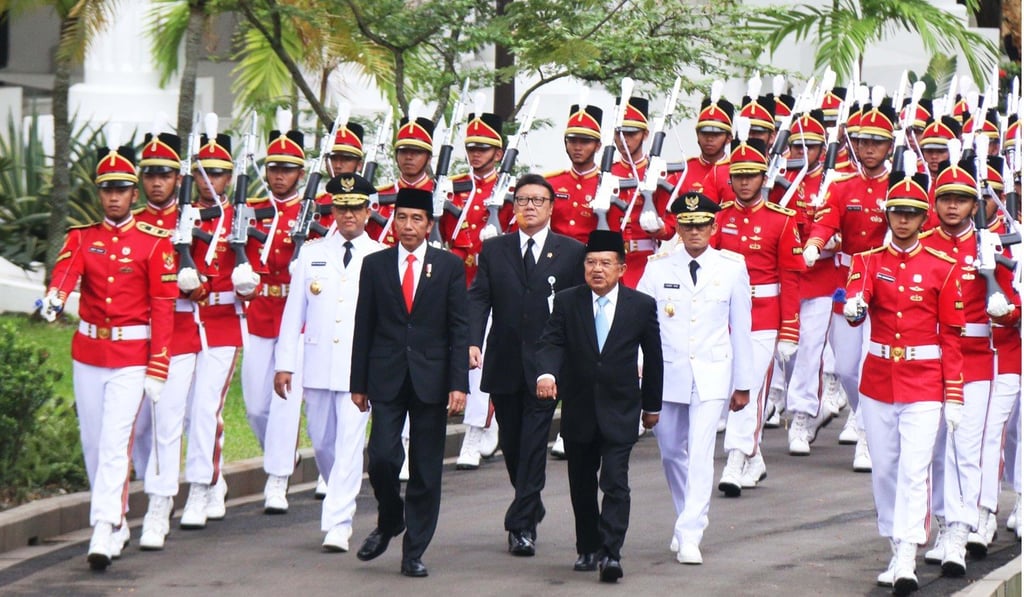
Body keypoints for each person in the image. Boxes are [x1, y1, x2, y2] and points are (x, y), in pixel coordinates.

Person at [40, 142, 177, 569]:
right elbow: (65, 273)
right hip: (89, 353)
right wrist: (54, 298)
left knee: (116, 443)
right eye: (107, 190)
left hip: (132, 357)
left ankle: (103, 525)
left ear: (134, 193)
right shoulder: (83, 238)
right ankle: (116, 522)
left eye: (121, 189)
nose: (114, 197)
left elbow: (164, 306)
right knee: (94, 443)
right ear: (99, 194)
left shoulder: (154, 243)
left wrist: (159, 363)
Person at [842, 166, 964, 594]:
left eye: (912, 213)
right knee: (886, 470)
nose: (904, 220)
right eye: (897, 212)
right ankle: (896, 542)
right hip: (878, 379)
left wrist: (954, 393)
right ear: (887, 214)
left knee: (915, 469)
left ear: (923, 216)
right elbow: (857, 300)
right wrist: (855, 309)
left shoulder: (942, 266)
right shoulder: (868, 261)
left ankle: (908, 554)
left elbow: (951, 334)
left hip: (925, 381)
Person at [350, 188, 469, 578]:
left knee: (426, 468)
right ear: (392, 221)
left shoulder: (449, 266)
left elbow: (458, 327)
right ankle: (389, 518)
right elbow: (363, 325)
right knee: (382, 456)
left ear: (429, 225)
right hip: (385, 375)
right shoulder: (376, 264)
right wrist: (358, 381)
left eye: (417, 219)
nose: (408, 226)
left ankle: (413, 550)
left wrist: (458, 384)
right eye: (402, 218)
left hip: (432, 379)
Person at [535, 229, 663, 584]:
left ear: (621, 268)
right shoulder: (566, 301)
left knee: (616, 483)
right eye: (591, 263)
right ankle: (587, 546)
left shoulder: (640, 306)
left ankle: (611, 553)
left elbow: (654, 358)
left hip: (621, 408)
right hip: (578, 408)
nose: (597, 270)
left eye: (606, 263)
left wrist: (652, 405)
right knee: (581, 483)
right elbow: (551, 342)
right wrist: (546, 374)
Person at [468, 173, 586, 556]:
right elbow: (479, 298)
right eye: (522, 200)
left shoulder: (570, 251)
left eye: (538, 200)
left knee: (535, 440)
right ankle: (530, 503)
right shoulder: (494, 250)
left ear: (552, 207)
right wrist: (471, 340)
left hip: (547, 364)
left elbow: (578, 307)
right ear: (513, 207)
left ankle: (521, 526)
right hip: (503, 360)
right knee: (512, 442)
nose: (530, 206)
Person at [637, 191, 753, 566]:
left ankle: (691, 531)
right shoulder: (658, 267)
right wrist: (639, 366)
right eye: (687, 225)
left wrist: (743, 382)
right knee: (671, 450)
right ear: (677, 227)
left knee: (702, 452)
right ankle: (685, 515)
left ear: (713, 226)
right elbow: (640, 321)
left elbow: (742, 329)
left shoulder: (732, 267)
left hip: (713, 371)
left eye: (702, 224)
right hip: (667, 372)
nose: (694, 231)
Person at [918, 157, 1018, 577]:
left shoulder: (991, 243)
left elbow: (1013, 305)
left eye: (962, 200)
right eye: (947, 200)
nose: (954, 207)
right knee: (935, 448)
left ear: (974, 204)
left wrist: (1004, 310)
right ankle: (944, 523)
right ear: (935, 203)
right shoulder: (923, 243)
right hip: (932, 357)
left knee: (967, 447)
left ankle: (963, 526)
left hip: (978, 357)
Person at [275, 174, 383, 553]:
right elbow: (294, 314)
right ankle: (336, 492)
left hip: (359, 369)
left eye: (355, 208)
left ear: (369, 211)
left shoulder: (379, 255)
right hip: (319, 364)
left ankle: (339, 522)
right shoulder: (311, 253)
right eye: (341, 207)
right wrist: (285, 363)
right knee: (322, 442)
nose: (348, 215)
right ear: (331, 210)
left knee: (351, 444)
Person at [802, 102, 898, 457]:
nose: (869, 148)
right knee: (845, 368)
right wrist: (814, 244)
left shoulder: (900, 185)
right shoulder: (842, 185)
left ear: (890, 146)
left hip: (887, 281)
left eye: (877, 142)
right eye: (862, 141)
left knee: (870, 363)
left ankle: (867, 436)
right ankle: (862, 416)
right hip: (848, 278)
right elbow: (825, 221)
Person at [712, 136, 804, 495]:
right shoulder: (719, 218)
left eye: (751, 175)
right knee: (727, 386)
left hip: (764, 316)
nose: (745, 182)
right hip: (726, 318)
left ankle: (736, 456)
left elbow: (791, 278)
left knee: (746, 386)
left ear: (764, 178)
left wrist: (790, 329)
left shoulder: (781, 221)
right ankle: (754, 456)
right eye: (738, 176)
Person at [131, 129, 205, 550]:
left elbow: (207, 284)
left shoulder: (194, 219)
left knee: (166, 424)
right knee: (138, 428)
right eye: (150, 175)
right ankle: (149, 489)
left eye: (165, 175)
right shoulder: (135, 222)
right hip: (137, 333)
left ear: (178, 178)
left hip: (178, 334)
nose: (156, 183)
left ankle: (160, 505)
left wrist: (194, 282)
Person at [176, 122, 250, 529]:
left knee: (207, 407)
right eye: (202, 170)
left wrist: (247, 281)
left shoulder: (240, 216)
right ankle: (215, 479)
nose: (209, 180)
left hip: (221, 322)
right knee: (185, 412)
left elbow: (252, 267)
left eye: (218, 172)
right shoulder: (179, 214)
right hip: (185, 323)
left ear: (229, 177)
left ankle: (200, 488)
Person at [241, 122, 308, 515]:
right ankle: (282, 455)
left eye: (287, 168)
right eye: (273, 167)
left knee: (285, 403)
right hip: (259, 314)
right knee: (255, 406)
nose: (279, 175)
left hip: (294, 318)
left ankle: (278, 480)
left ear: (301, 173)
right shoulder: (252, 211)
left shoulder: (314, 211)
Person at [442, 111, 510, 470]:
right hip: (458, 281)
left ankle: (474, 432)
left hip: (494, 284)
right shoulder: (454, 187)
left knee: (477, 359)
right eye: (471, 148)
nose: (476, 154)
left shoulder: (509, 189)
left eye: (484, 148)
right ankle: (488, 421)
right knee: (459, 355)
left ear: (498, 153)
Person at [367, 116, 436, 247]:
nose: (409, 157)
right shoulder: (378, 196)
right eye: (403, 151)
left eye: (416, 152)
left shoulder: (439, 195)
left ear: (429, 158)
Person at [547, 104, 604, 243]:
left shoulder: (607, 184)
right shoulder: (551, 183)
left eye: (585, 142)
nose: (577, 147)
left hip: (591, 258)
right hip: (555, 256)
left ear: (597, 146)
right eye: (572, 141)